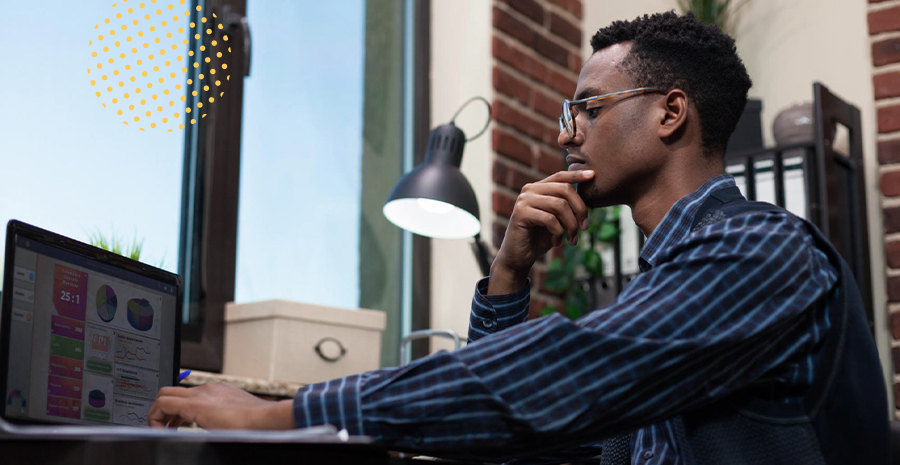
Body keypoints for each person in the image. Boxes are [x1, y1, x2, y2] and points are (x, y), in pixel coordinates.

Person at [148, 11, 889, 464]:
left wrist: (279, 416)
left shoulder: (760, 253)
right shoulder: (672, 281)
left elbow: (566, 374)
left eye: (588, 109)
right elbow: (527, 431)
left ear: (671, 113)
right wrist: (506, 277)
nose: (566, 133)